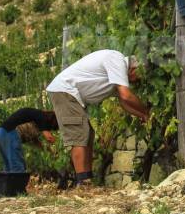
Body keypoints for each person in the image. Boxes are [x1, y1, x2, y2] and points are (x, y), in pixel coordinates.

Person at [45, 50, 150, 186]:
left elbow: (124, 103)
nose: (138, 81)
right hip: (65, 91)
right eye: (139, 76)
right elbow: (126, 96)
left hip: (71, 94)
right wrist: (147, 112)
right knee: (79, 135)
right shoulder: (117, 60)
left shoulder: (118, 75)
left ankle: (86, 181)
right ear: (134, 68)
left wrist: (142, 115)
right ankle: (83, 184)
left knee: (87, 134)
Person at [0, 107, 59, 173]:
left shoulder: (36, 119)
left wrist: (49, 150)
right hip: (11, 133)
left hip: (1, 132)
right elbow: (49, 137)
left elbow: (35, 140)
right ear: (53, 122)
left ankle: (7, 183)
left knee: (9, 168)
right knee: (17, 168)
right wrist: (58, 148)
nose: (51, 130)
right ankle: (18, 183)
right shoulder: (42, 117)